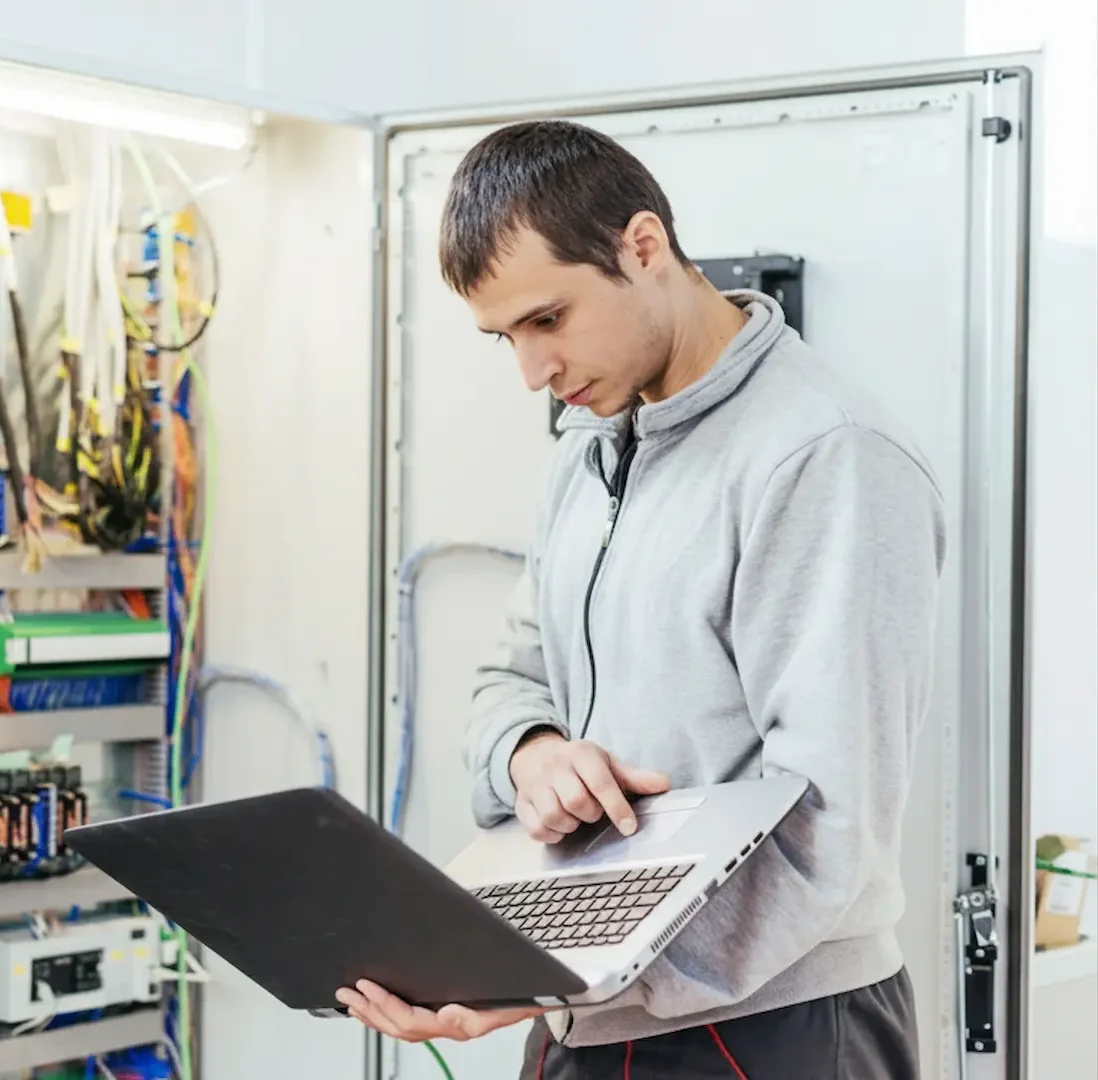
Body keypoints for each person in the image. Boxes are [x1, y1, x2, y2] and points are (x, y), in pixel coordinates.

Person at [334, 120, 945, 1078]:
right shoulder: (588, 451)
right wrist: (532, 756)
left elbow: (831, 821)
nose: (535, 372)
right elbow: (511, 676)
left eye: (548, 321)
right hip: (592, 1012)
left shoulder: (826, 455)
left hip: (768, 1027)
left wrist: (554, 978)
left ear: (643, 247)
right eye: (506, 338)